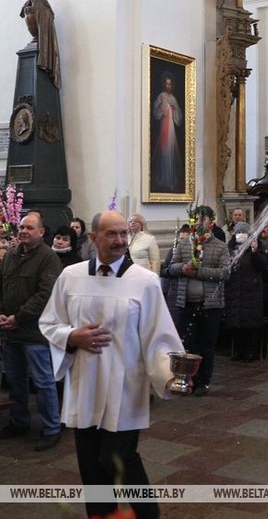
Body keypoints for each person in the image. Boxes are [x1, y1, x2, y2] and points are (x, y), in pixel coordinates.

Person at [40, 210, 186, 518]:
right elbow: (50, 322)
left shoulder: (144, 281)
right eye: (111, 234)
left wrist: (172, 376)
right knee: (91, 466)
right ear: (93, 238)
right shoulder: (71, 276)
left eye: (123, 233)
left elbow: (157, 335)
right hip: (85, 382)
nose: (120, 240)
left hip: (125, 386)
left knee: (117, 457)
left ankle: (147, 514)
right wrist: (72, 335)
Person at [0, 213, 63, 451]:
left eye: (29, 227)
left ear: (41, 232)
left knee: (43, 381)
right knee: (15, 380)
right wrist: (3, 314)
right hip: (10, 330)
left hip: (35, 332)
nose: (24, 230)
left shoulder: (48, 258)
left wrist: (19, 317)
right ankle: (19, 421)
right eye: (22, 226)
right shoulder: (11, 255)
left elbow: (45, 294)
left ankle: (51, 427)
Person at [168, 205, 230, 397]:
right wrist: (182, 268)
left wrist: (199, 272)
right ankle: (188, 379)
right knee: (187, 343)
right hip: (186, 302)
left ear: (211, 223)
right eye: (196, 219)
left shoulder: (220, 246)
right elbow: (170, 267)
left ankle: (204, 381)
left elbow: (225, 272)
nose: (199, 223)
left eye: (203, 219)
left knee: (206, 345)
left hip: (210, 304)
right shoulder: (185, 244)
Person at [225, 222, 268, 362]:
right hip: (235, 288)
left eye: (244, 231)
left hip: (252, 289)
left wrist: (255, 251)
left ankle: (251, 351)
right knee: (236, 322)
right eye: (239, 232)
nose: (241, 234)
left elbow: (262, 264)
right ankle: (238, 350)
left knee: (251, 322)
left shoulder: (256, 245)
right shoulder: (230, 247)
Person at [151, 72, 184, 193]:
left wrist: (175, 110)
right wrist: (161, 108)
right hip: (163, 128)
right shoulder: (161, 96)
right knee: (164, 153)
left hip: (171, 131)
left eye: (170, 84)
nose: (168, 86)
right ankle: (163, 180)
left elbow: (179, 117)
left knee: (170, 152)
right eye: (166, 84)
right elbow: (156, 111)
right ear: (164, 84)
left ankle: (170, 180)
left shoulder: (173, 98)